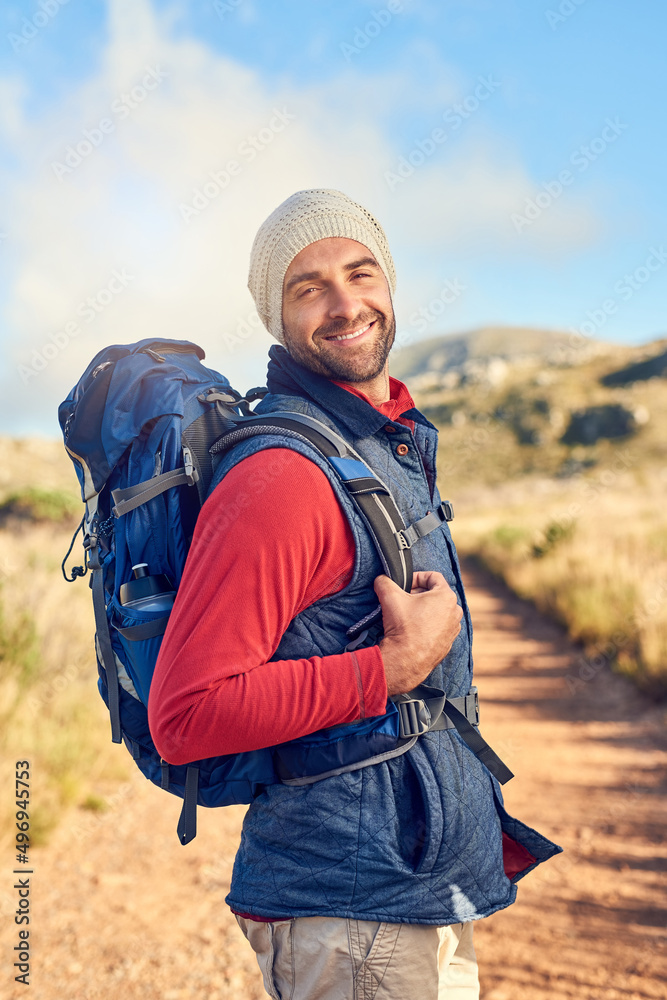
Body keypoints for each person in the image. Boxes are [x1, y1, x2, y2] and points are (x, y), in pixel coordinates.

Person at [148, 189, 560, 999]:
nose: (345, 305)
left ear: (389, 283)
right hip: (353, 916)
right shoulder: (282, 478)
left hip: (414, 894)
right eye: (308, 288)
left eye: (359, 273)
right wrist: (391, 666)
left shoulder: (376, 445)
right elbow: (186, 716)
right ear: (277, 317)